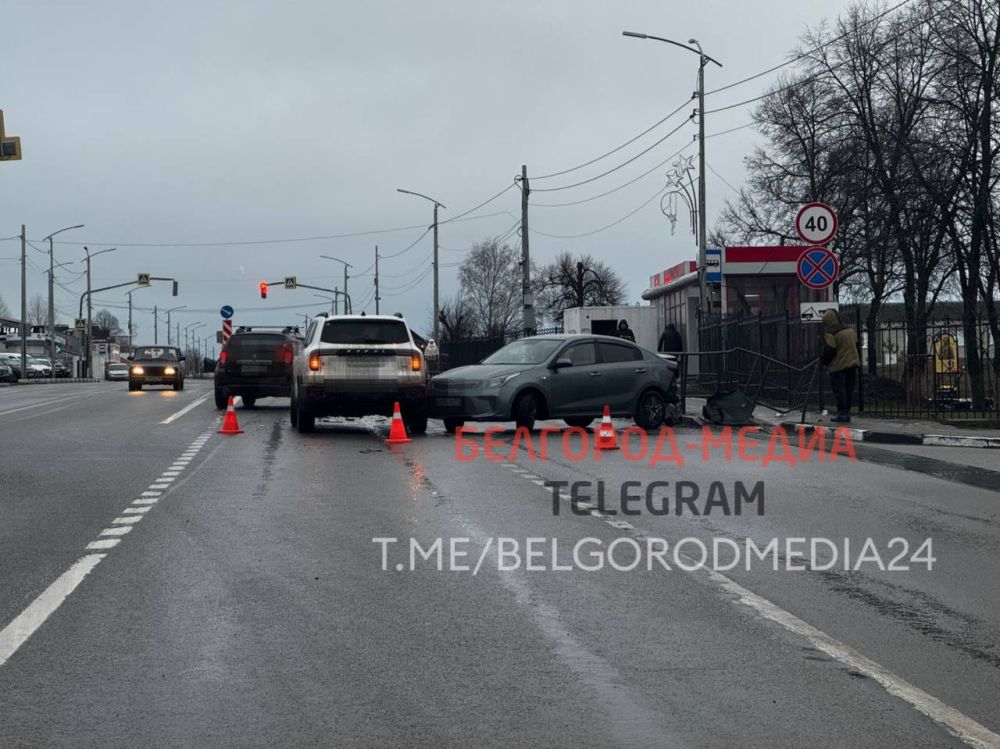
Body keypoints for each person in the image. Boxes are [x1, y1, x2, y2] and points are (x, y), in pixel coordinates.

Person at [821, 309, 860, 422]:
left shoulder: (831, 333)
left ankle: (841, 414)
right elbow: (856, 344)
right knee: (849, 390)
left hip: (838, 366)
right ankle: (847, 413)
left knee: (839, 391)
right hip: (852, 364)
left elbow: (830, 350)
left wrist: (824, 362)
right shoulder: (850, 330)